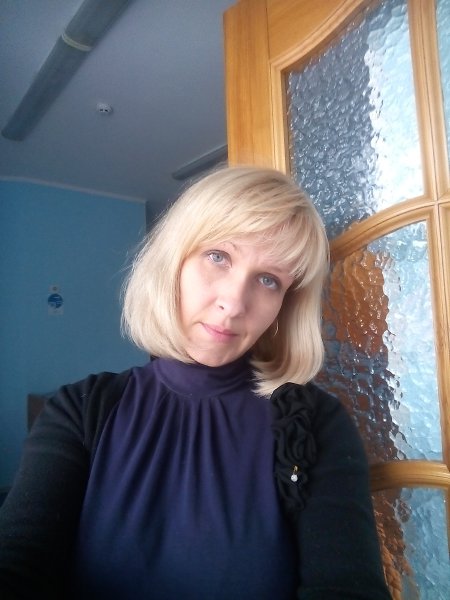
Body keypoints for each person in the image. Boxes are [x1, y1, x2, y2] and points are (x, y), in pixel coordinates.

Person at [0, 166, 391, 599]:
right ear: (175, 262)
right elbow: (19, 561)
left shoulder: (316, 423)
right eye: (218, 256)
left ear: (285, 304)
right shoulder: (80, 409)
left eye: (268, 280)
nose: (233, 303)